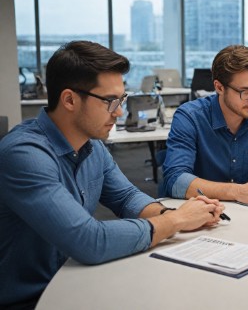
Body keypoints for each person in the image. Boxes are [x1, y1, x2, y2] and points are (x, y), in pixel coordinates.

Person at [0, 41, 224, 308]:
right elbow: (88, 240)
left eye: (122, 99)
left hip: (82, 280)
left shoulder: (91, 145)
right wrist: (176, 220)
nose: (119, 111)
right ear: (70, 99)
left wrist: (170, 216)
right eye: (110, 101)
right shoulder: (23, 155)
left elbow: (127, 198)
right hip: (34, 299)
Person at [160, 45, 248, 203]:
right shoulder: (190, 117)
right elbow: (175, 180)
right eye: (245, 92)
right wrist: (235, 191)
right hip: (195, 212)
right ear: (219, 87)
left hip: (246, 212)